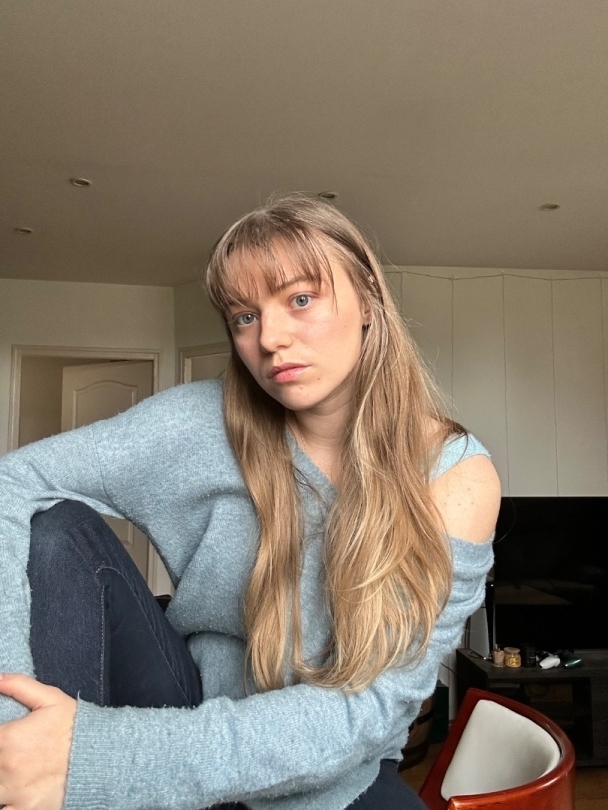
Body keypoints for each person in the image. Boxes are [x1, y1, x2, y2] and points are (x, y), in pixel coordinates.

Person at [0, 194, 501, 810]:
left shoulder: (455, 478)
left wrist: (101, 759)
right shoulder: (197, 423)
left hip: (334, 761)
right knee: (55, 528)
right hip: (185, 705)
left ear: (369, 300)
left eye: (300, 299)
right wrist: (16, 734)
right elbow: (11, 481)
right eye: (244, 316)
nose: (270, 338)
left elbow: (368, 710)